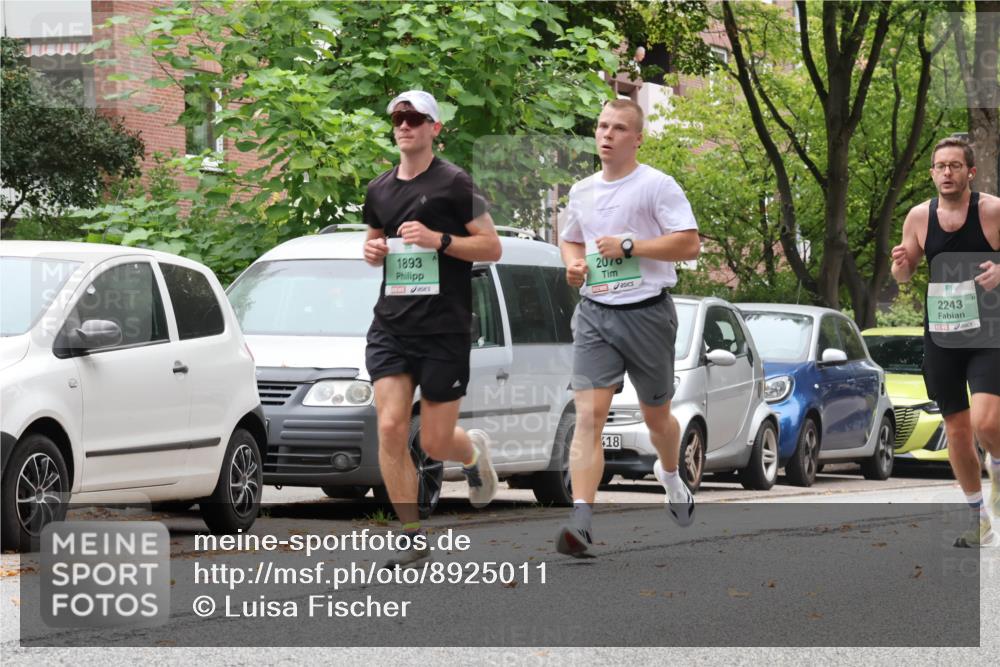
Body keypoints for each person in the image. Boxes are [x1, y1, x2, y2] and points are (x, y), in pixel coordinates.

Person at [556, 99, 701, 558]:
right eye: (601, 126)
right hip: (596, 311)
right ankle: (581, 519)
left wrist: (629, 245)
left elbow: (689, 244)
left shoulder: (657, 185)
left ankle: (672, 475)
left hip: (648, 312)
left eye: (619, 128)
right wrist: (573, 266)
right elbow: (569, 236)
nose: (607, 135)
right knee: (589, 417)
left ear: (637, 138)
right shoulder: (581, 191)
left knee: (658, 417)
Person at [362, 90, 502, 567]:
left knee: (434, 442)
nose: (405, 126)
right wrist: (372, 250)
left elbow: (491, 247)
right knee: (390, 426)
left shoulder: (455, 184)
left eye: (416, 119)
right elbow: (373, 240)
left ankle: (471, 453)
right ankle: (410, 533)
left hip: (444, 329)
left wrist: (439, 239)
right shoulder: (379, 189)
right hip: (392, 327)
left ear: (434, 128)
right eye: (399, 118)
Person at [892, 136, 1000, 548]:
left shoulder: (991, 211)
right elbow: (904, 275)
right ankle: (979, 518)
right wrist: (901, 264)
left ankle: (997, 459)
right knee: (956, 431)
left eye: (956, 166)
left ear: (970, 172)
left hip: (989, 330)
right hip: (943, 331)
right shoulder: (920, 216)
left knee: (986, 422)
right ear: (932, 172)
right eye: (941, 166)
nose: (947, 173)